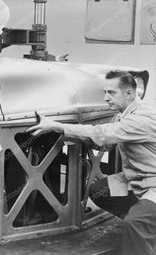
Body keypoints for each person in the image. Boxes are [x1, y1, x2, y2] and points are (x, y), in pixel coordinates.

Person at [26, 70, 156, 255]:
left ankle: (143, 229)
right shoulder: (127, 113)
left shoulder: (142, 119)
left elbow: (101, 134)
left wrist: (57, 126)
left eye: (111, 93)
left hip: (152, 184)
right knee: (99, 191)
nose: (106, 98)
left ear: (129, 93)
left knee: (135, 223)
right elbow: (104, 138)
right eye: (105, 92)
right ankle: (145, 225)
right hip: (137, 180)